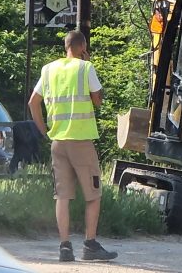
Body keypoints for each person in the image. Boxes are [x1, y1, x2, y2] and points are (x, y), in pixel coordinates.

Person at [28, 31, 118, 262]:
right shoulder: (85, 68)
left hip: (57, 141)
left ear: (65, 46)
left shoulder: (48, 70)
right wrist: (87, 63)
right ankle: (90, 245)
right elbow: (97, 100)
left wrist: (43, 130)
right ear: (82, 47)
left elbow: (33, 102)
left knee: (62, 196)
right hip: (81, 140)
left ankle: (65, 248)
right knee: (93, 194)